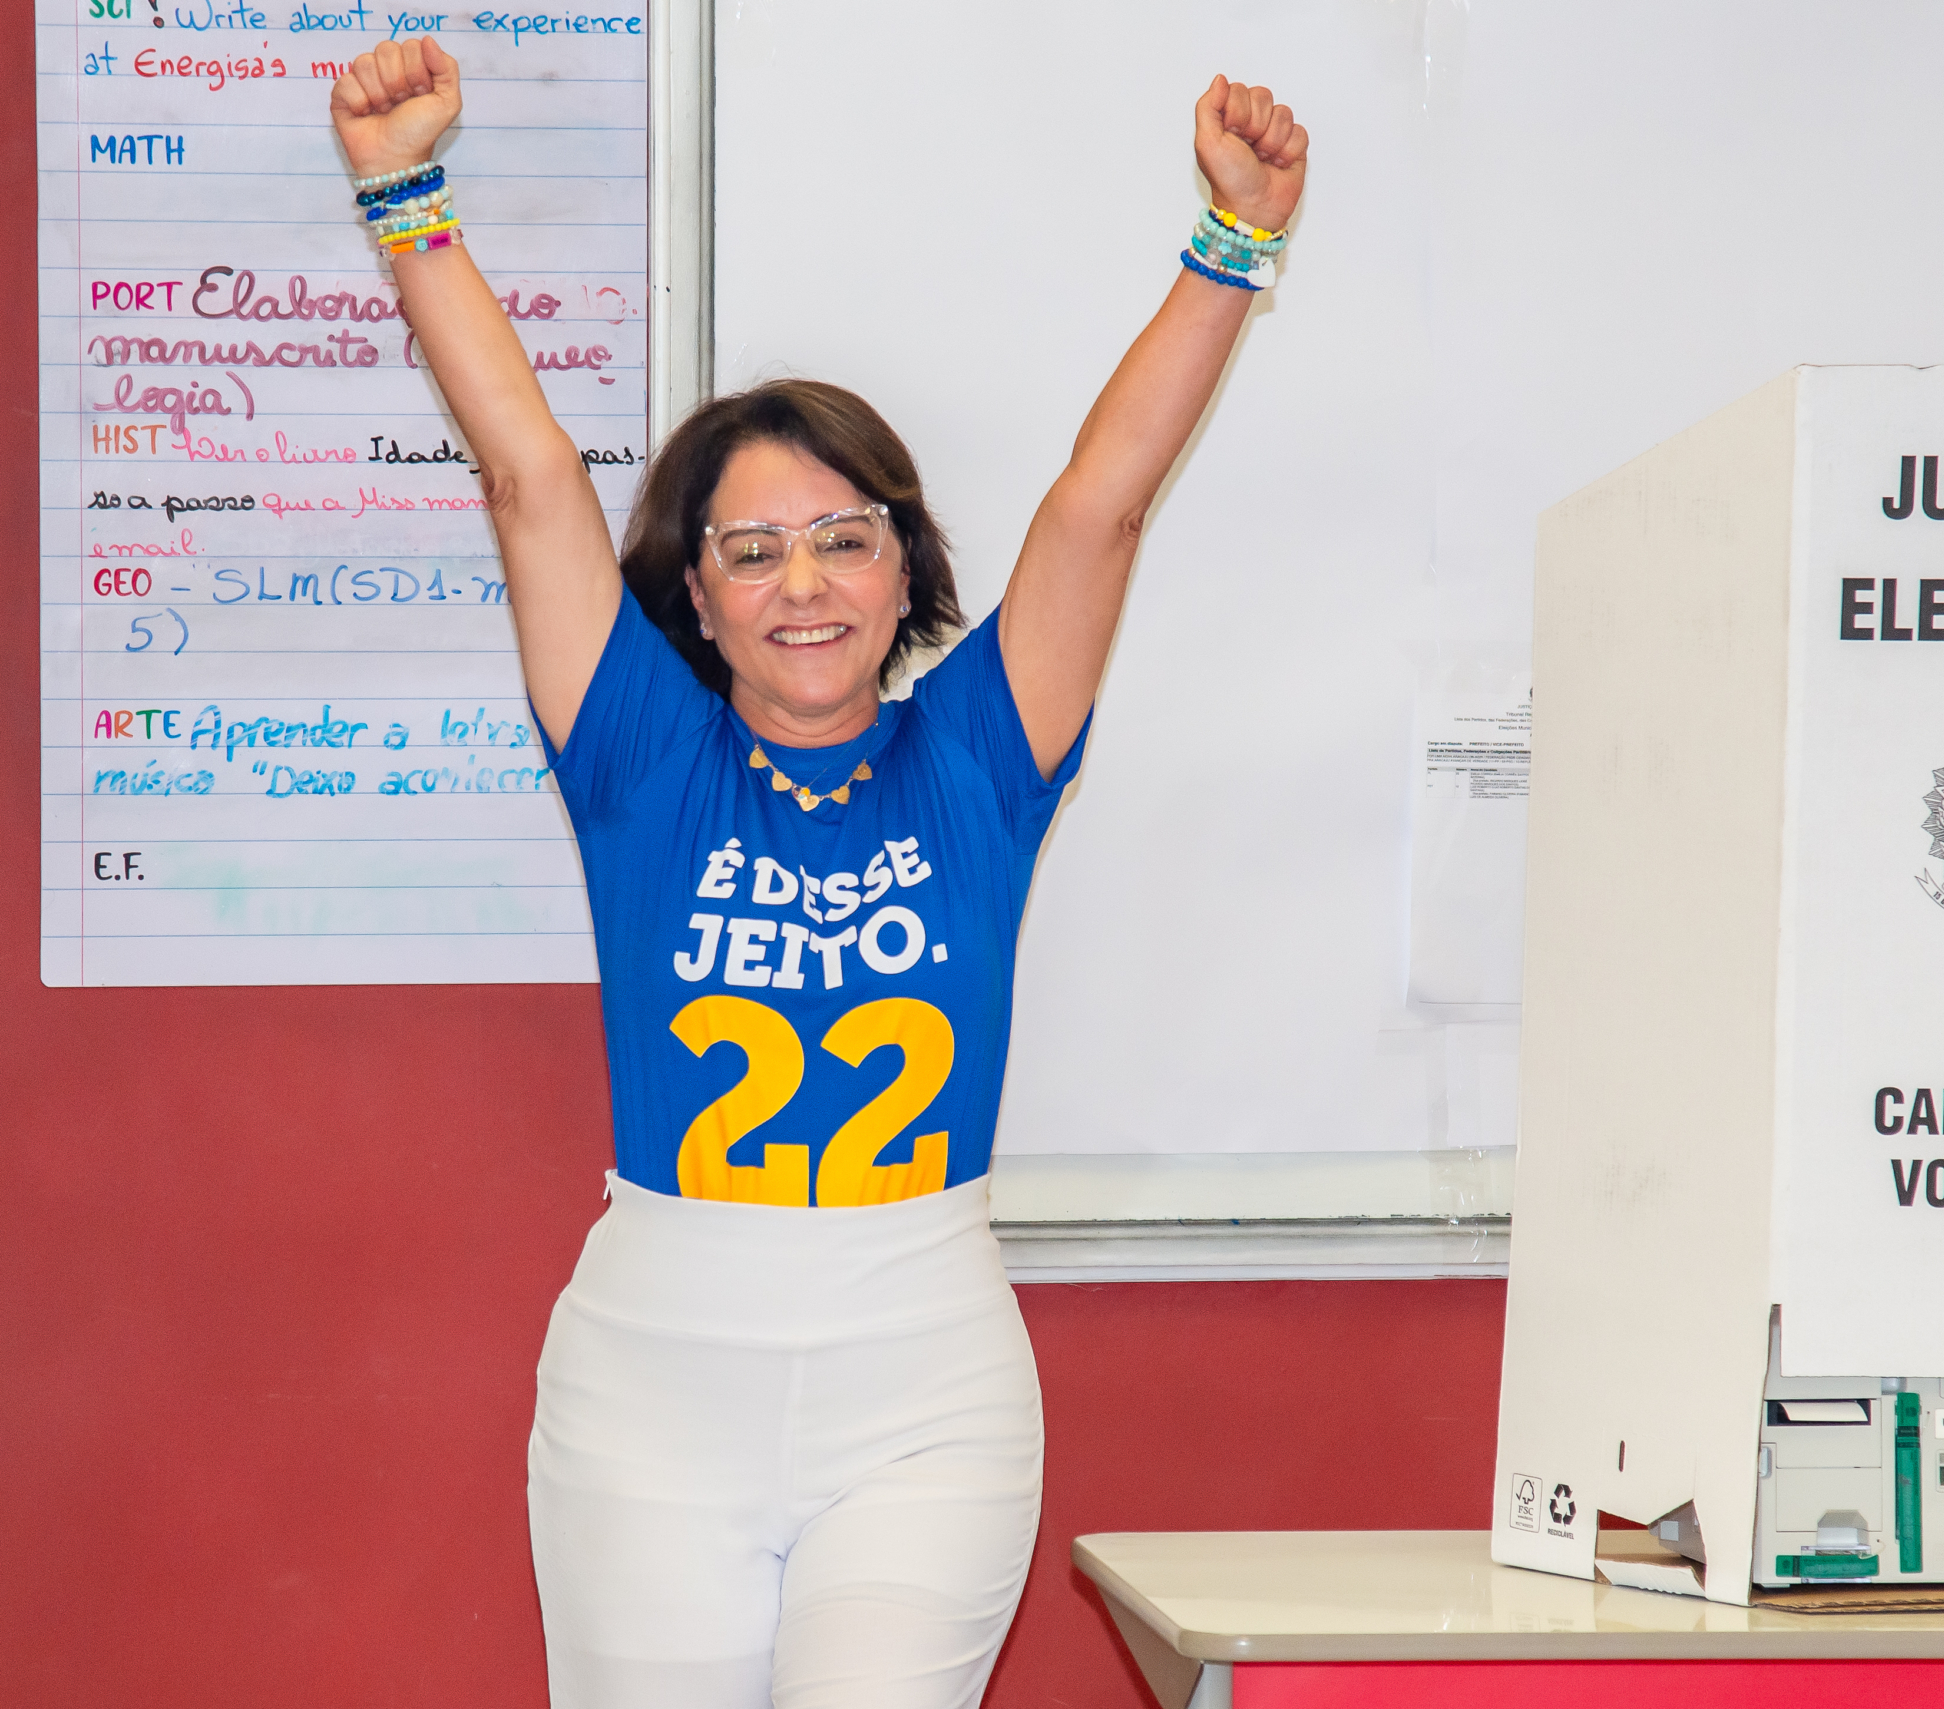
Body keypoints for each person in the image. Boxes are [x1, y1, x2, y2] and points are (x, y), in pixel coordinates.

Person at [326, 37, 1306, 1709]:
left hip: (921, 1384)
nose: (805, 584)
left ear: (904, 565)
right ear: (691, 599)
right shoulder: (642, 754)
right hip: (654, 1384)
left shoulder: (979, 755)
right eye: (752, 549)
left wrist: (1235, 243)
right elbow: (529, 483)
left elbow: (1098, 516)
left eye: (847, 537)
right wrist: (407, 201)